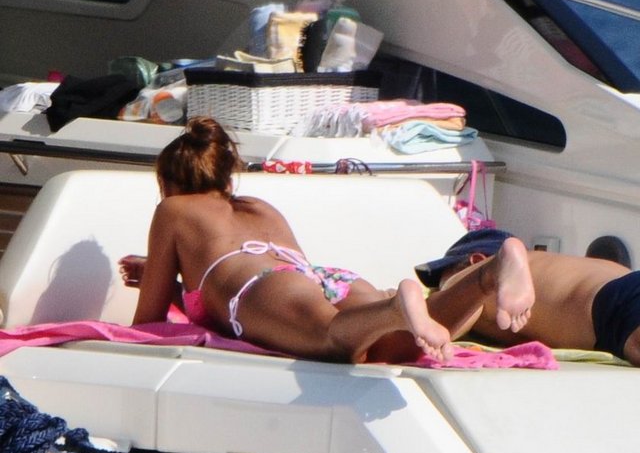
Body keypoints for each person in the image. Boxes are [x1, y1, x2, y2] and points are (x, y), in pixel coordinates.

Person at [119, 116, 534, 364]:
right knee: (396, 348)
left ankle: (395, 306)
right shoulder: (258, 207)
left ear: (167, 183)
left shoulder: (173, 210)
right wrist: (180, 288)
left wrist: (161, 283)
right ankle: (487, 275)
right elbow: (282, 281)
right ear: (226, 178)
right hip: (320, 279)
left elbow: (148, 323)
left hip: (259, 287)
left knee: (333, 342)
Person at [415, 228, 640, 366]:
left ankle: (486, 269)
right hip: (622, 290)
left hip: (609, 307)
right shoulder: (563, 265)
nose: (437, 289)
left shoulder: (481, 280)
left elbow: (432, 330)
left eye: (441, 278)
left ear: (476, 260)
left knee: (437, 314)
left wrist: (443, 293)